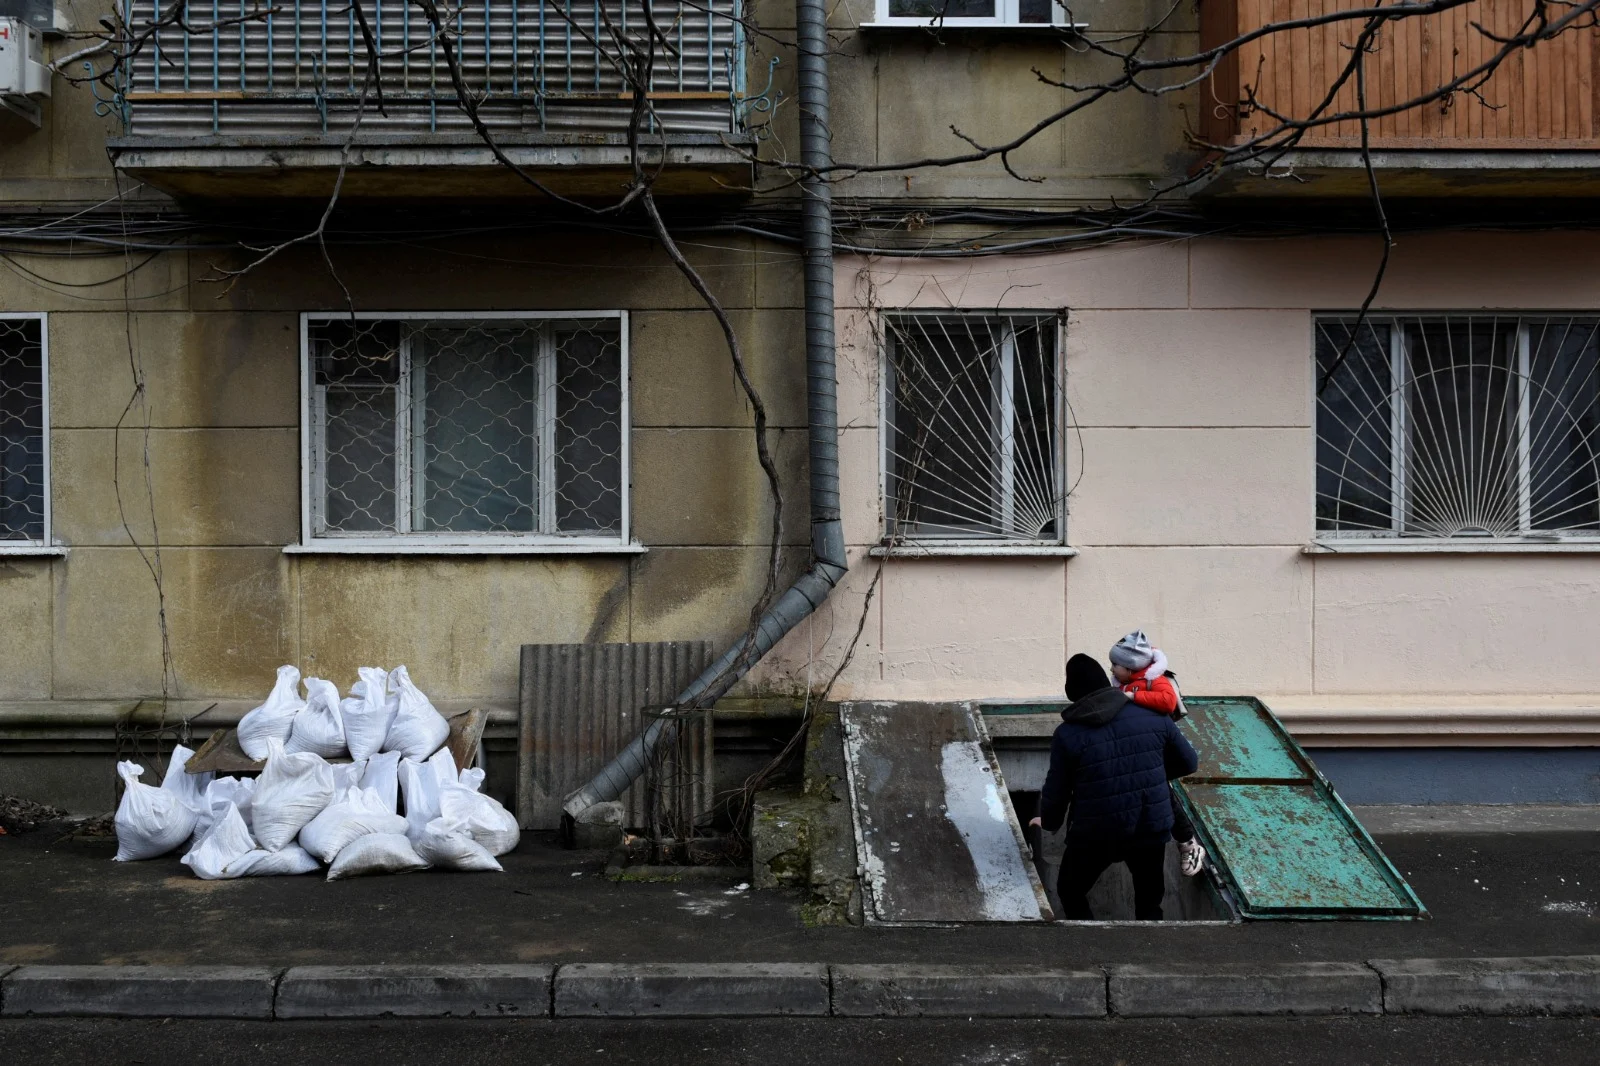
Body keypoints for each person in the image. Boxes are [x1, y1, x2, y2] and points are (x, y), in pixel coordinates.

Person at [1030, 653, 1198, 921]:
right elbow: (1189, 762)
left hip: (1096, 832)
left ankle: (1094, 948)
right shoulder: (1152, 716)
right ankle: (1150, 955)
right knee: (1150, 901)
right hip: (1149, 826)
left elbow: (1057, 789)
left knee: (1070, 891)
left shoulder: (1068, 734)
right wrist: (1149, 773)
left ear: (1072, 692)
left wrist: (1049, 822)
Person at [1109, 629, 1207, 878]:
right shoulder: (1127, 682)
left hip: (1158, 746)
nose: (1111, 670)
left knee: (1163, 793)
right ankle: (1187, 842)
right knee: (1159, 791)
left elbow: (1167, 701)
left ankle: (1188, 843)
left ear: (1131, 667)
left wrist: (1132, 696)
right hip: (1145, 747)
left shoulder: (1154, 679)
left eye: (1115, 665)